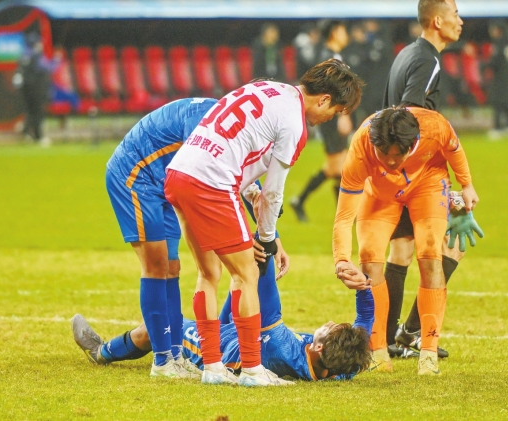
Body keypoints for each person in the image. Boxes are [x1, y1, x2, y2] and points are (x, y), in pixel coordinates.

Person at [164, 59, 364, 386]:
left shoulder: (266, 88)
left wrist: (251, 195)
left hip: (179, 172)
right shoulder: (295, 124)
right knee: (246, 274)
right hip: (212, 183)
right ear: (324, 99)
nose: (331, 117)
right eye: (336, 110)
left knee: (208, 273)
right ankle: (253, 370)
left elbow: (237, 150)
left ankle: (213, 368)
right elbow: (274, 192)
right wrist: (268, 238)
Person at [71, 244, 374, 382]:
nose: (329, 323)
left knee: (158, 328)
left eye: (328, 329)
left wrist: (269, 237)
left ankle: (102, 352)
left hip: (218, 348)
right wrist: (364, 286)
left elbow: (265, 275)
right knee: (242, 279)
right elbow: (364, 326)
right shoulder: (341, 368)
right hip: (240, 332)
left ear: (318, 346)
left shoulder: (283, 346)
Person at [333, 106, 480, 376]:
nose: (390, 161)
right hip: (379, 194)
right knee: (369, 257)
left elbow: (454, 149)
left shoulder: (435, 127)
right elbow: (344, 216)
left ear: (413, 144)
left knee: (430, 255)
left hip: (428, 184)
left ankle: (428, 354)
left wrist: (466, 184)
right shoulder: (361, 146)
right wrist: (341, 259)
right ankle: (378, 352)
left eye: (397, 155)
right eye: (383, 153)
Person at [105, 97, 218, 379]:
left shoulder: (226, 121)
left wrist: (270, 234)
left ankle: (175, 355)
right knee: (156, 265)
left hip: (164, 182)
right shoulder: (202, 116)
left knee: (172, 266)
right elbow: (203, 172)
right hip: (135, 175)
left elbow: (244, 177)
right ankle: (163, 360)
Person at [381, 0, 465, 359]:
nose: (460, 21)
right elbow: (409, 116)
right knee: (453, 245)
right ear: (437, 20)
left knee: (401, 250)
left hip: (395, 170)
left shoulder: (407, 54)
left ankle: (389, 338)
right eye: (455, 14)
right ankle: (411, 332)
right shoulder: (427, 60)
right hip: (416, 174)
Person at [290, 21, 354, 222]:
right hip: (331, 118)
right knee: (337, 167)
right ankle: (304, 202)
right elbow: (331, 91)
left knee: (339, 166)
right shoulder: (330, 58)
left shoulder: (331, 55)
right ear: (334, 33)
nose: (346, 35)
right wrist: (343, 115)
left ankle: (339, 212)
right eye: (343, 30)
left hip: (332, 116)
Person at [14, 32, 56, 145]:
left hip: (25, 89)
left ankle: (26, 132)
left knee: (30, 111)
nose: (41, 44)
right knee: (37, 112)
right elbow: (47, 68)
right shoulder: (36, 55)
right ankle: (39, 137)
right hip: (35, 89)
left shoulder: (23, 54)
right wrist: (56, 60)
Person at [485, 20, 508, 139]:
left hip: (501, 77)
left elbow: (496, 61)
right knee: (506, 102)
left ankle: (498, 128)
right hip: (507, 77)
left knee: (498, 102)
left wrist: (484, 66)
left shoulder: (500, 44)